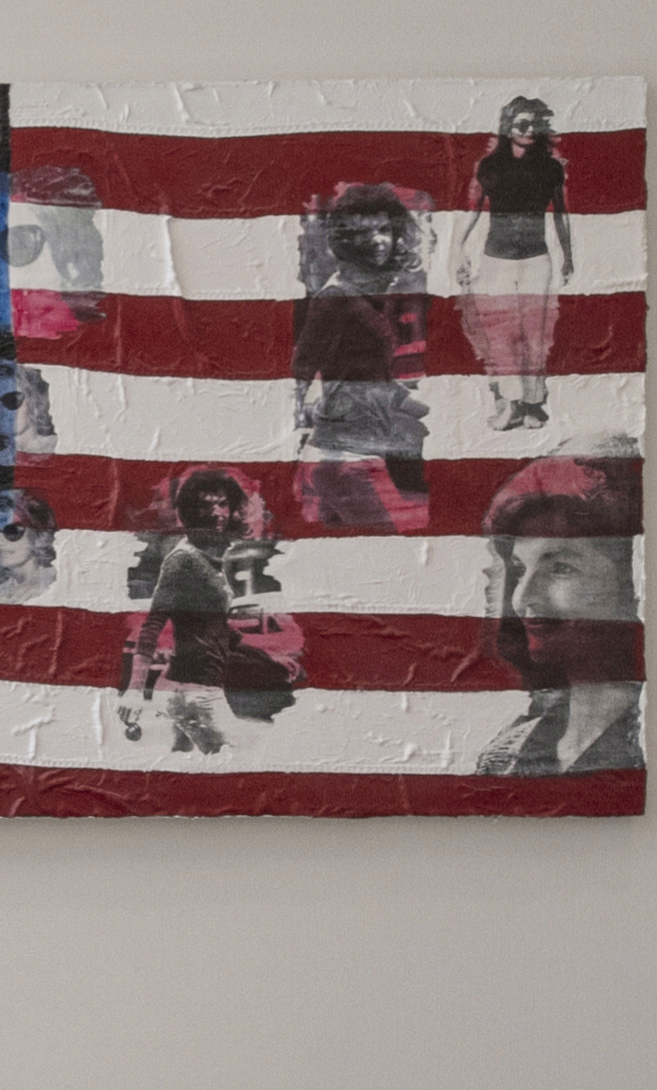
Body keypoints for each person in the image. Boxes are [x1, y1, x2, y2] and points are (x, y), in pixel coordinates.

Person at [481, 453, 643, 778]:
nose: (523, 597)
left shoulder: (654, 745)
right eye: (520, 569)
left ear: (631, 581)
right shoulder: (502, 758)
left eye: (561, 568)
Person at [119, 461, 298, 751]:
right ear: (191, 512)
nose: (216, 513)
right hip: (193, 693)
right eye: (205, 506)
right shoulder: (182, 561)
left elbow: (218, 634)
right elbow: (152, 627)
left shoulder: (213, 560)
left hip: (200, 689)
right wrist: (134, 690)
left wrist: (267, 659)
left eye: (222, 504)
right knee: (238, 761)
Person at [292, 170, 431, 533]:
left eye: (384, 230)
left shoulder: (370, 295)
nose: (378, 241)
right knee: (384, 545)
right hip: (341, 455)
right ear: (346, 241)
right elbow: (300, 369)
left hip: (364, 449)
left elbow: (368, 374)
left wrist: (417, 404)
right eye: (364, 233)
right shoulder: (335, 299)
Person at [445, 96, 577, 430]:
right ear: (508, 127)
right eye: (522, 124)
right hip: (495, 260)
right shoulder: (490, 167)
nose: (529, 130)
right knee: (501, 335)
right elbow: (473, 211)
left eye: (535, 124)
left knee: (534, 335)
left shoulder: (550, 168)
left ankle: (533, 403)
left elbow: (560, 215)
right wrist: (459, 250)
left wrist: (568, 256)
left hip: (536, 260)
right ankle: (511, 403)